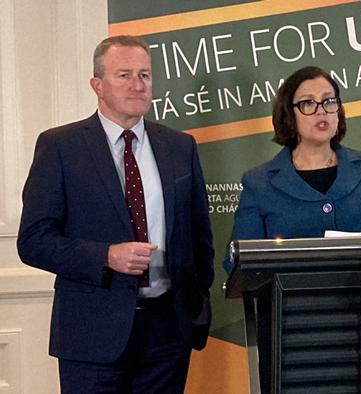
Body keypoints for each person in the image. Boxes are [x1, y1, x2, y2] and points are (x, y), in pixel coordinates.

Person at [17, 35, 214, 393]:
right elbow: (33, 241)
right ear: (97, 85)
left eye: (145, 75)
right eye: (124, 75)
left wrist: (196, 304)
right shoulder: (60, 147)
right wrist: (105, 256)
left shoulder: (179, 146)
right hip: (92, 335)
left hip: (168, 334)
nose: (138, 85)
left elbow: (200, 238)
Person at [224, 66, 361, 393]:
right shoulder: (259, 181)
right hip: (289, 334)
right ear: (289, 115)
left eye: (329, 101)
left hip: (357, 328)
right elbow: (236, 261)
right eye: (308, 103)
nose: (321, 111)